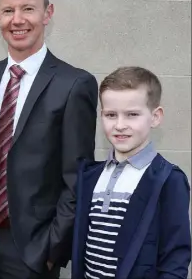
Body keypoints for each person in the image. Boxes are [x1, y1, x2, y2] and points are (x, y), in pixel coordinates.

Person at [0, 0, 99, 279]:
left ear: (47, 13)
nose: (18, 19)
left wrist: (51, 252)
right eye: (8, 10)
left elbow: (77, 178)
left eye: (28, 8)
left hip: (31, 252)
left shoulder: (74, 84)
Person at [71, 66, 191, 279]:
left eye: (132, 115)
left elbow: (175, 259)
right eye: (110, 115)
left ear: (155, 117)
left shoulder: (168, 180)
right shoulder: (91, 175)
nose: (120, 125)